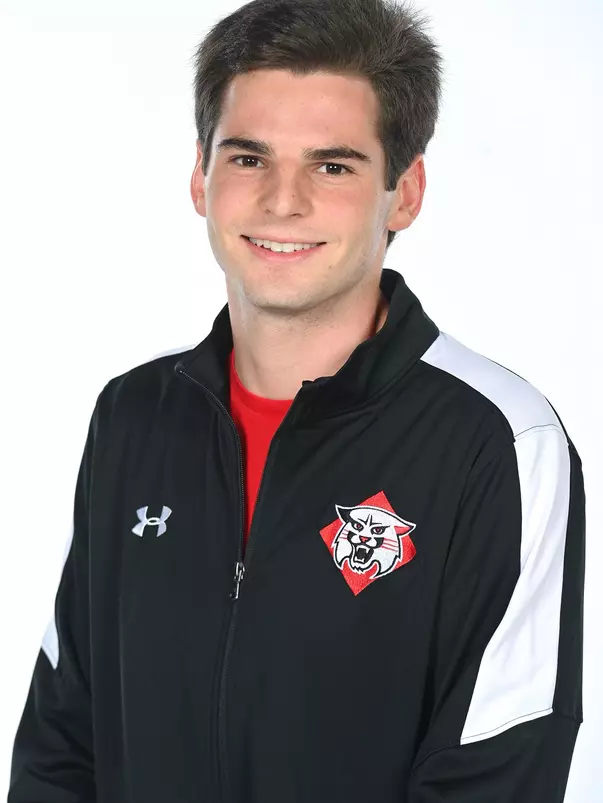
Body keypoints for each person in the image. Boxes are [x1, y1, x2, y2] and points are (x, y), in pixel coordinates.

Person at [8, 0, 585, 800]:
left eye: (332, 166)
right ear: (200, 177)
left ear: (404, 193)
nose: (283, 201)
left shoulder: (496, 441)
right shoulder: (134, 416)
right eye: (249, 158)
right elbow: (63, 739)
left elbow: (496, 767)